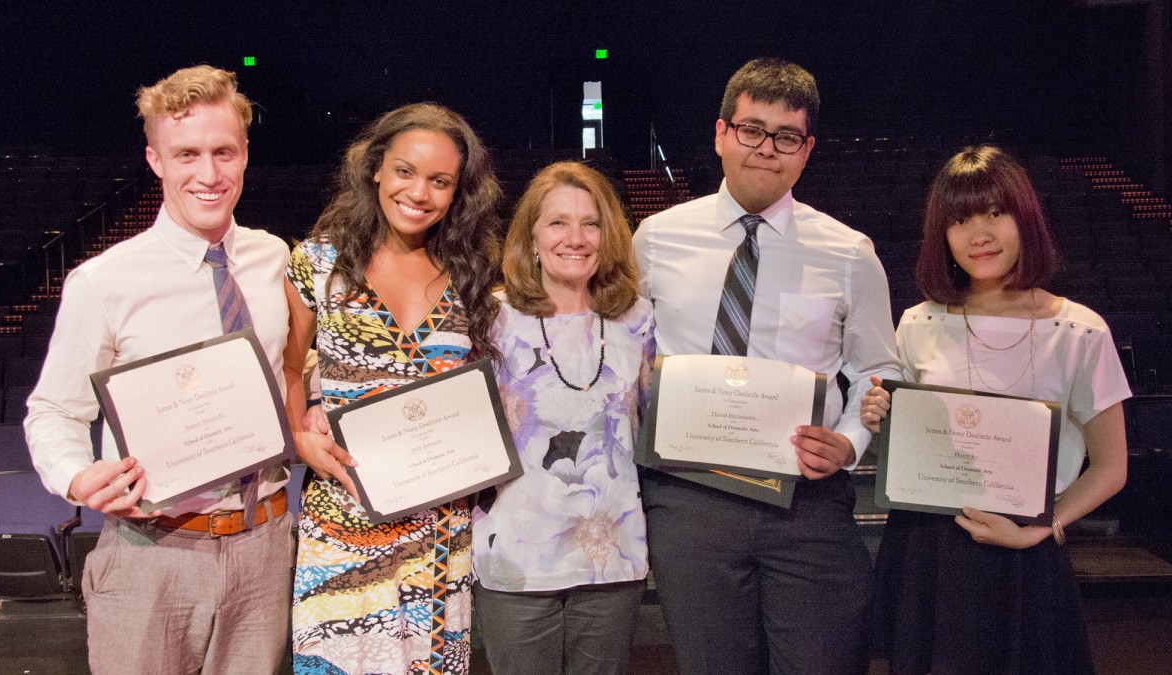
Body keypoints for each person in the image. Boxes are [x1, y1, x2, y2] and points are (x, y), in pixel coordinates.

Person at [632, 57, 901, 675]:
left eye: (785, 137)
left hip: (806, 500)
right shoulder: (655, 237)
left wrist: (850, 442)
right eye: (752, 130)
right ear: (722, 134)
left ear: (805, 150)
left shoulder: (849, 252)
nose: (766, 149)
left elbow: (878, 370)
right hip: (691, 497)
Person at [24, 65, 294, 674]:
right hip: (153, 551)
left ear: (245, 152)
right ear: (155, 160)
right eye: (187, 154)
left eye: (224, 152)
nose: (209, 174)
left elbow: (297, 380)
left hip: (265, 546)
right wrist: (76, 477)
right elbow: (54, 412)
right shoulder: (103, 281)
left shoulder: (273, 257)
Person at [859, 145, 1129, 675]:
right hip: (928, 552)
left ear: (1025, 218)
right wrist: (880, 420)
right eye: (960, 219)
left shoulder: (1079, 331)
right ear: (942, 233)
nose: (978, 234)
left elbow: (1112, 465)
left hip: (1024, 552)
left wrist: (1040, 527)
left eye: (995, 213)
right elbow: (908, 443)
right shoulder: (919, 322)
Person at [283, 103, 502, 675]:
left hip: (439, 535)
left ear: (459, 192)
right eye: (405, 171)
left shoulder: (472, 272)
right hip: (346, 520)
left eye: (440, 181)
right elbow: (286, 368)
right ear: (376, 168)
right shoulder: (317, 261)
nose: (419, 192)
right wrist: (299, 439)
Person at [471, 162, 655, 675]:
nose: (575, 238)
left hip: (611, 558)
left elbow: (654, 422)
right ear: (531, 236)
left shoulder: (637, 318)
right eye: (557, 223)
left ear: (609, 235)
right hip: (515, 556)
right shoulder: (490, 319)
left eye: (590, 224)